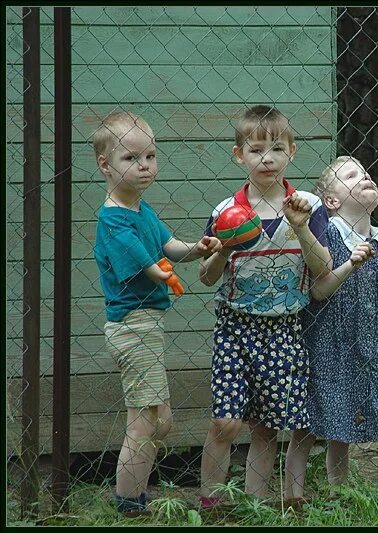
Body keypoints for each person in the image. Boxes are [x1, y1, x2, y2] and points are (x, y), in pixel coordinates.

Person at [197, 105, 332, 510]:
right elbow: (206, 277)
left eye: (276, 148)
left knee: (266, 427)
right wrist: (223, 250)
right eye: (256, 150)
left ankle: (255, 507)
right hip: (235, 327)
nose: (266, 158)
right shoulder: (225, 212)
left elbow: (322, 267)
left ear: (292, 151)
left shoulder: (307, 205)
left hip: (284, 328)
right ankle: (211, 504)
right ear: (239, 155)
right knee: (225, 421)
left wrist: (302, 227)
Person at [93, 111, 222, 516]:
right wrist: (167, 276)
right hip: (132, 325)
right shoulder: (113, 219)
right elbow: (148, 264)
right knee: (148, 419)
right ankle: (131, 502)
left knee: (156, 418)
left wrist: (198, 249)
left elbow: (170, 247)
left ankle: (135, 492)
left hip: (147, 325)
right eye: (131, 158)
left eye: (150, 156)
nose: (144, 165)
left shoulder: (140, 209)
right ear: (105, 165)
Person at [289, 156, 378, 498]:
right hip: (326, 341)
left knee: (344, 425)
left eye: (367, 174)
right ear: (331, 201)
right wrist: (350, 262)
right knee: (307, 422)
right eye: (351, 175)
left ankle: (338, 495)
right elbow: (318, 290)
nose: (364, 177)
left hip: (367, 340)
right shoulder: (328, 232)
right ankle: (293, 498)